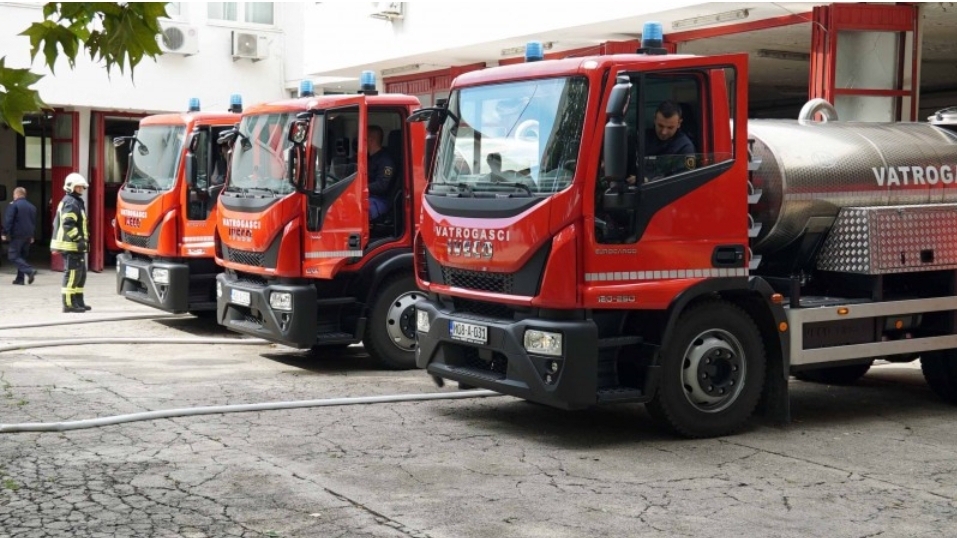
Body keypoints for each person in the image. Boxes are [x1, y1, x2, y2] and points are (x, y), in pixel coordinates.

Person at [50, 173, 91, 313]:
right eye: (78, 187)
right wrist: (78, 239)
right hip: (71, 245)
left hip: (75, 245)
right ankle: (68, 304)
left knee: (81, 275)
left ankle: (78, 301)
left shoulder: (75, 201)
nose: (81, 189)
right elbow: (68, 223)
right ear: (71, 187)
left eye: (82, 187)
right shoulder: (71, 202)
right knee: (73, 275)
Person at [641, 100, 696, 180]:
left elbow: (684, 180)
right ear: (654, 119)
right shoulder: (642, 138)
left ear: (679, 123)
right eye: (660, 126)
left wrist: (648, 180)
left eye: (670, 127)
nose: (664, 132)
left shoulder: (685, 147)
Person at [2, 187, 38, 285]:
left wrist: (4, 233)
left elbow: (9, 220)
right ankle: (20, 279)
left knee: (13, 256)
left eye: (14, 195)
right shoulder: (32, 207)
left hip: (17, 234)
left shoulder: (14, 205)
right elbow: (33, 222)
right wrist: (32, 235)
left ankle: (29, 271)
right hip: (28, 236)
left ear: (17, 194)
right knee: (22, 257)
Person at [367, 125, 396, 221]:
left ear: (370, 140)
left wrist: (361, 187)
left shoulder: (386, 161)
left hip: (380, 199)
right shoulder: (367, 158)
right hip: (368, 196)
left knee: (357, 211)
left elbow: (382, 186)